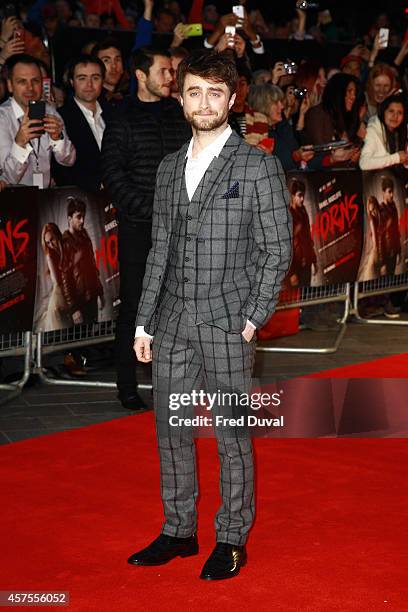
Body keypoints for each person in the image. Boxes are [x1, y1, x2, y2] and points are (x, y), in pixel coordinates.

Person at [129, 49, 292, 580]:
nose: (204, 103)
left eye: (215, 93)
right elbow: (159, 250)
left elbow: (277, 251)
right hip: (172, 322)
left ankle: (231, 537)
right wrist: (144, 321)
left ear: (232, 98)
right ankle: (178, 530)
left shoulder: (258, 165)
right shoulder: (169, 167)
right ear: (181, 98)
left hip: (228, 324)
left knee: (231, 435)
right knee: (172, 430)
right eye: (194, 92)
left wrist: (252, 318)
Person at [101, 47, 191, 411]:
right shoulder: (121, 118)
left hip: (179, 226)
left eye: (172, 71)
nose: (171, 77)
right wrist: (146, 209)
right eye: (164, 71)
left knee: (176, 306)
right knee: (137, 305)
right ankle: (127, 385)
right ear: (141, 75)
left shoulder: (179, 114)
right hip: (140, 227)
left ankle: (168, 385)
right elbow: (113, 173)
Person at [0, 54, 75, 187]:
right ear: (10, 86)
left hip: (44, 196)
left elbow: (69, 160)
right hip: (12, 199)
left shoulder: (49, 111)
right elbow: (9, 177)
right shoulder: (3, 117)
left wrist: (58, 138)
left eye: (35, 81)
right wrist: (20, 143)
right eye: (22, 82)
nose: (30, 88)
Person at [52, 54, 109, 191]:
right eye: (82, 78)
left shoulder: (114, 114)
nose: (89, 84)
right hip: (80, 199)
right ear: (72, 82)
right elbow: (60, 168)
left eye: (95, 78)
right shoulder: (60, 117)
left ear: (102, 81)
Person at [61, 197, 104, 326]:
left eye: (83, 216)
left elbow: (93, 267)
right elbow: (64, 278)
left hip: (91, 296)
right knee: (81, 339)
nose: (82, 221)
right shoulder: (65, 242)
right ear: (69, 219)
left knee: (93, 337)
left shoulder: (84, 235)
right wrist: (74, 308)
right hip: (79, 302)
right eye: (78, 217)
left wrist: (100, 293)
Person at [360, 94, 408, 170]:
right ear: (383, 112)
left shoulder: (402, 130)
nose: (395, 116)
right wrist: (396, 158)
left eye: (399, 113)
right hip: (374, 179)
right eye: (391, 111)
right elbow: (364, 163)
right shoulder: (372, 131)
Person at [40, 222, 71, 331]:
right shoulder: (50, 255)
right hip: (60, 291)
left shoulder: (67, 246)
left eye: (52, 240)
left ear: (57, 235)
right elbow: (57, 282)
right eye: (47, 243)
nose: (51, 245)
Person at [287, 179, 317, 288]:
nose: (302, 199)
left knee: (306, 296)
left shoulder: (303, 212)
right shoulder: (287, 215)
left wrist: (314, 261)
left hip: (306, 264)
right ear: (292, 196)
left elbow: (309, 238)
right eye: (299, 195)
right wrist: (291, 273)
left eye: (303, 195)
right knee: (296, 298)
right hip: (295, 266)